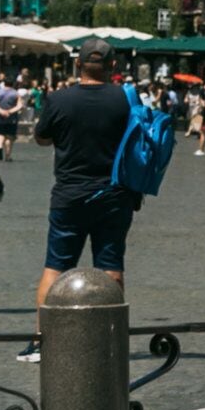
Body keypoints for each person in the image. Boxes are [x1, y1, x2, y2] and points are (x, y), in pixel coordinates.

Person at [30, 38, 143, 320]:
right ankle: (112, 335)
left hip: (69, 194)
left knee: (55, 268)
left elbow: (42, 138)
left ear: (77, 63)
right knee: (111, 268)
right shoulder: (126, 98)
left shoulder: (59, 99)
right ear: (113, 65)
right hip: (115, 194)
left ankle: (42, 336)